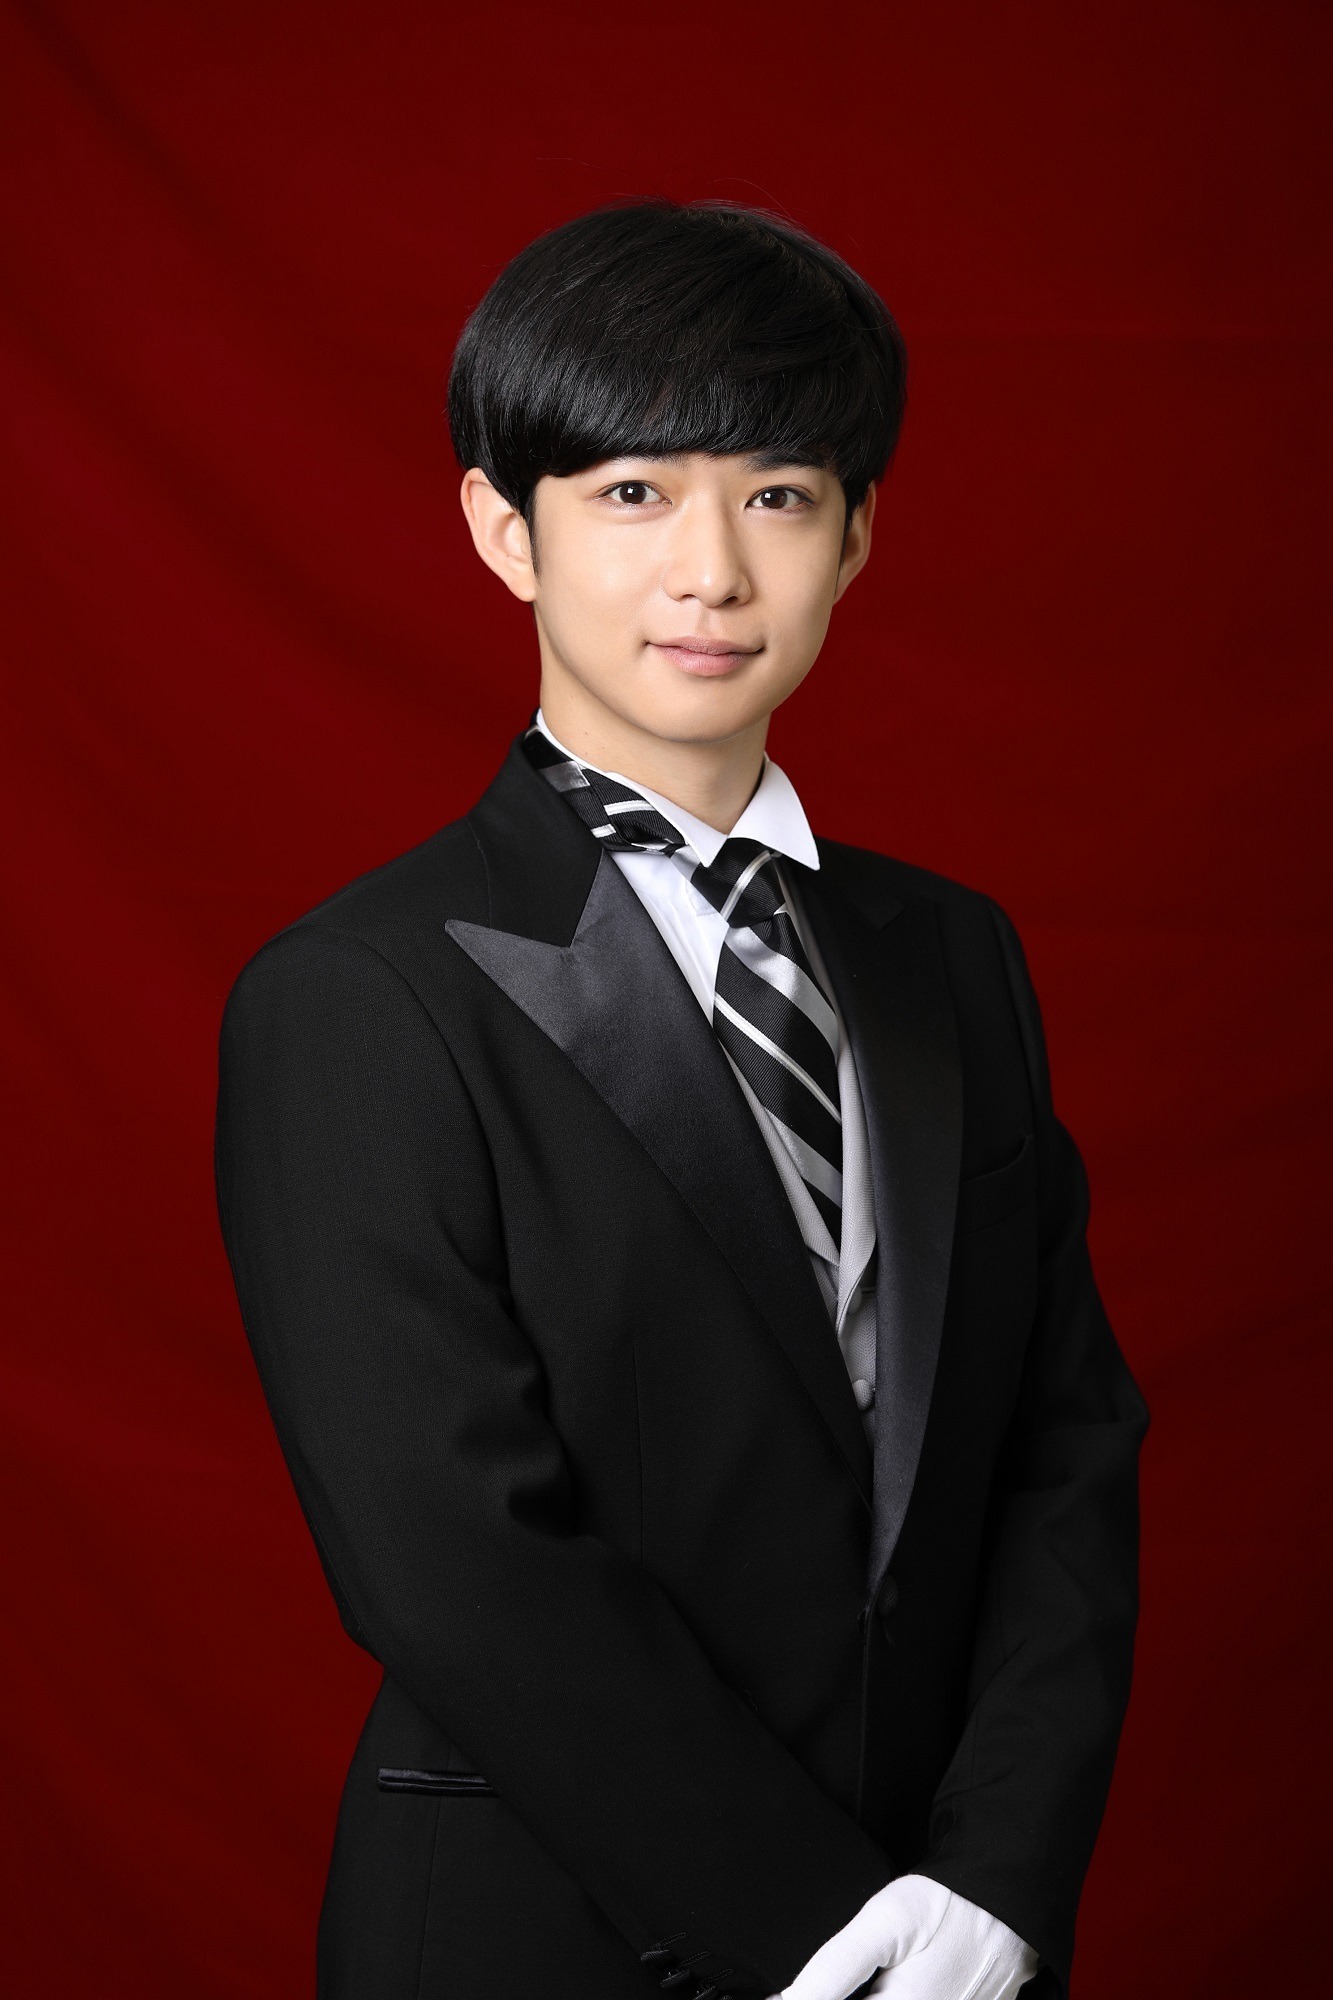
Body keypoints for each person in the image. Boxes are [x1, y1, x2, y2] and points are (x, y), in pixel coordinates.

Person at [214, 198, 1149, 2000]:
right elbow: (448, 1555)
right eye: (634, 492)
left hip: (951, 1937)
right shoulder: (356, 992)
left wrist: (994, 1885)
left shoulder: (952, 954)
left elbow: (1065, 1439)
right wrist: (823, 1932)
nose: (712, 571)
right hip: (550, 1931)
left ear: (854, 536)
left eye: (777, 494)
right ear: (505, 531)